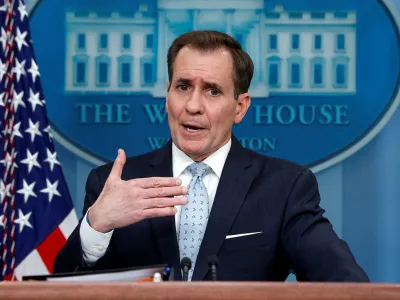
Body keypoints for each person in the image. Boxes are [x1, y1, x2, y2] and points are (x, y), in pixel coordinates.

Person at [54, 30, 369, 282]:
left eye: (212, 91)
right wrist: (96, 226)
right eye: (183, 86)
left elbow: (345, 283)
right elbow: (61, 286)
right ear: (167, 96)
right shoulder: (115, 183)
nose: (192, 105)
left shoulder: (284, 188)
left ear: (240, 107)